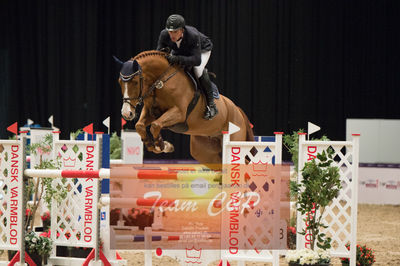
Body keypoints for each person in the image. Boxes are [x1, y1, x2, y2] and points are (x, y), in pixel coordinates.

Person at [157, 14, 218, 120]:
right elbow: (158, 53)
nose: (172, 35)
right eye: (170, 31)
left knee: (198, 70)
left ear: (182, 30)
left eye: (175, 32)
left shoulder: (192, 36)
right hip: (181, 50)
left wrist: (177, 59)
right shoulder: (164, 34)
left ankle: (212, 105)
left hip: (202, 50)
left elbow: (196, 60)